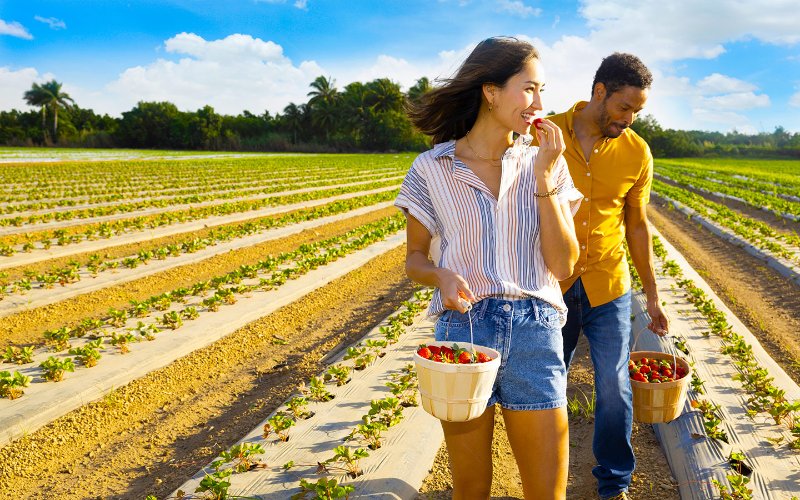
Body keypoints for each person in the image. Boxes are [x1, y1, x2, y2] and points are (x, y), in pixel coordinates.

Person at [395, 37, 583, 499]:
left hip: (535, 330)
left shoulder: (548, 165)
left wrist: (542, 177)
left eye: (542, 91)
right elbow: (415, 259)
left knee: (547, 493)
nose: (540, 103)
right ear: (491, 91)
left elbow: (563, 264)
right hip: (464, 328)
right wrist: (441, 275)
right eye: (529, 89)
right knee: (470, 490)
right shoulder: (432, 168)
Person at [537, 53, 670, 500]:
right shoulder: (543, 133)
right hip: (549, 283)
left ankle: (614, 485)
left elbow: (637, 224)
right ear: (600, 92)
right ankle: (545, 479)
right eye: (625, 107)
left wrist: (652, 296)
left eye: (638, 112)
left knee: (613, 384)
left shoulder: (637, 151)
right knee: (546, 382)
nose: (630, 119)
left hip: (609, 284)